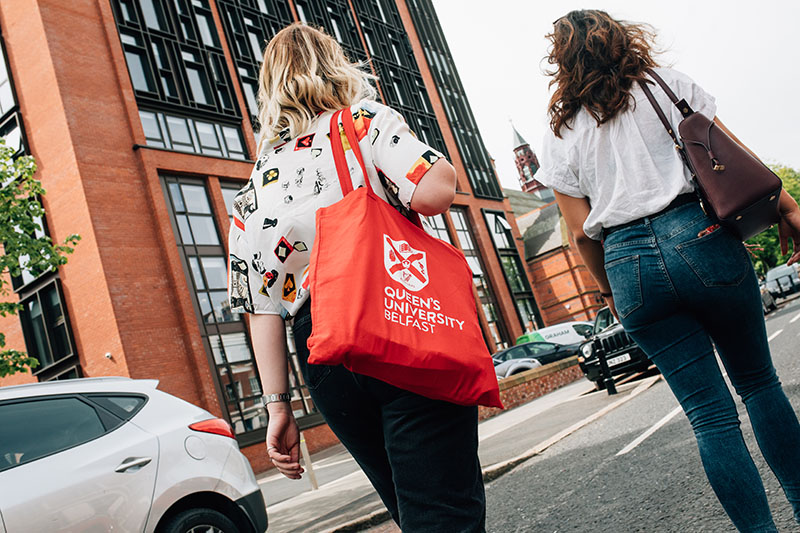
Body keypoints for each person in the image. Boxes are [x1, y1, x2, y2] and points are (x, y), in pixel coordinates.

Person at [536, 10, 800, 532]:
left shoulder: (562, 131)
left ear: (561, 61)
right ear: (622, 40)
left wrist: (610, 292)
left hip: (626, 262)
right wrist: (788, 208)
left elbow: (581, 234)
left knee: (709, 416)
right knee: (759, 384)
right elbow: (735, 159)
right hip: (701, 236)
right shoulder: (668, 85)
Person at [227, 23, 486, 532]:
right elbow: (435, 191)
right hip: (396, 315)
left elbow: (260, 308)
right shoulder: (362, 122)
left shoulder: (253, 188)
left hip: (322, 350)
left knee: (410, 511)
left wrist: (278, 408)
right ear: (336, 66)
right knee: (442, 511)